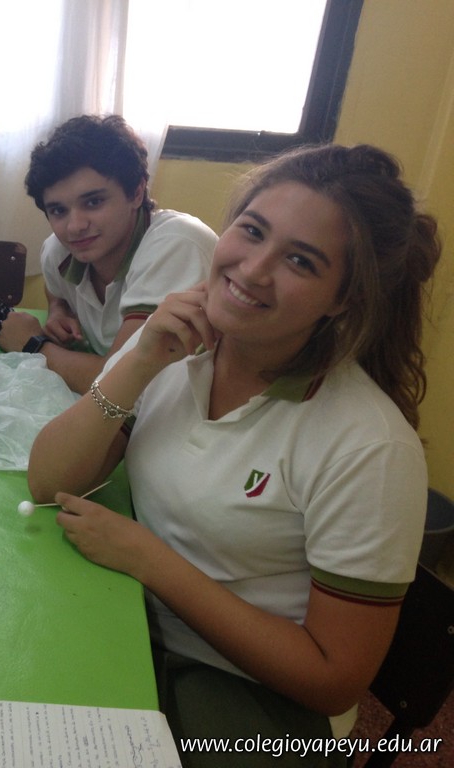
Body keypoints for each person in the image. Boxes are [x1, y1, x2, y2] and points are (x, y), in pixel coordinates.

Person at [28, 144, 441, 767]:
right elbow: (47, 480)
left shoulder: (369, 446)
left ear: (342, 299)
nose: (252, 269)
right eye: (251, 231)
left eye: (300, 260)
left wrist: (150, 561)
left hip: (257, 703)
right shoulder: (174, 344)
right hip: (133, 625)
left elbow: (333, 679)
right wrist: (139, 362)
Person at [0, 115, 216, 394]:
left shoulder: (177, 245)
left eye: (93, 202)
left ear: (137, 193)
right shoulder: (59, 250)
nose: (75, 226)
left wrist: (33, 345)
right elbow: (55, 291)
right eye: (58, 210)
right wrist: (58, 311)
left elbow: (126, 383)